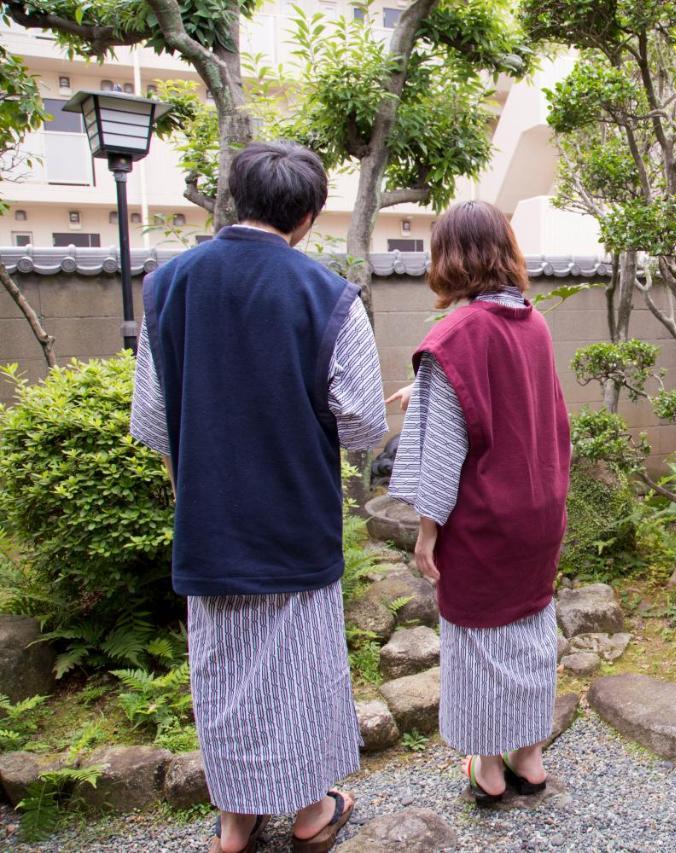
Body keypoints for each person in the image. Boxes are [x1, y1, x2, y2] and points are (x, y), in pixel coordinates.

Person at [130, 142, 387, 853]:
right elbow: (365, 421)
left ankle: (237, 820)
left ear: (236, 200)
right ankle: (310, 813)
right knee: (301, 672)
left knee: (225, 673)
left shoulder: (166, 287)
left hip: (209, 524)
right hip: (295, 519)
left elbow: (153, 422)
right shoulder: (327, 294)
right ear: (306, 215)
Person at [387, 200, 571, 804]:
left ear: (448, 258)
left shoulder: (455, 334)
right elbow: (520, 402)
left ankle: (488, 770)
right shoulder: (533, 324)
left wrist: (426, 530)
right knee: (530, 629)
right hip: (538, 508)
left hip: (484, 515)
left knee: (476, 638)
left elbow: (445, 445)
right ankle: (531, 758)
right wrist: (428, 388)